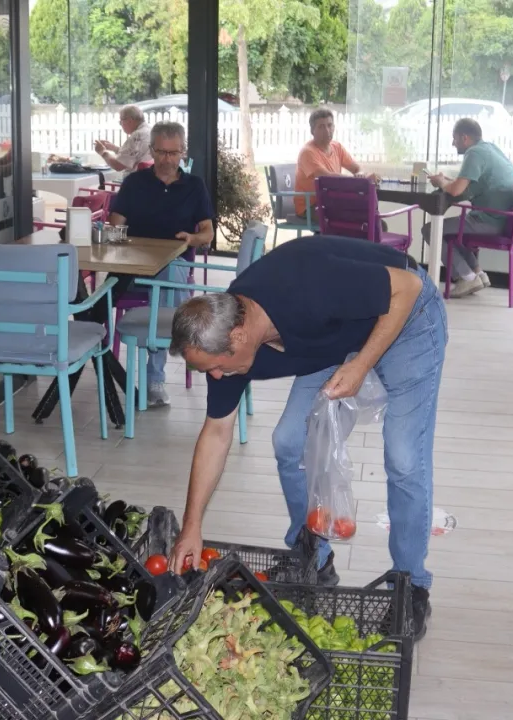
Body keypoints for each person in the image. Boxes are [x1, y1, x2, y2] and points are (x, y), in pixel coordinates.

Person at [166, 235, 445, 639]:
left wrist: (363, 364)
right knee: (289, 442)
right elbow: (215, 432)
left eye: (214, 368)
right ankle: (313, 553)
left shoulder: (305, 285)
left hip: (407, 316)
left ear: (239, 339)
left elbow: (407, 288)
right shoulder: (223, 336)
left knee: (404, 457)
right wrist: (191, 526)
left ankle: (411, 585)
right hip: (336, 335)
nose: (215, 377)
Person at [108, 121, 215, 407]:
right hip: (132, 271)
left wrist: (192, 238)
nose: (167, 160)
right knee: (167, 283)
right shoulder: (134, 183)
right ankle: (184, 338)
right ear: (151, 151)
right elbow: (114, 227)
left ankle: (155, 377)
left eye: (173, 153)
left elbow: (208, 233)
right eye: (161, 152)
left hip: (172, 268)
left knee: (172, 274)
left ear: (183, 152)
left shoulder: (194, 186)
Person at [425, 118, 513, 298]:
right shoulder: (490, 149)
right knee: (451, 231)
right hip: (505, 219)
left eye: (455, 138)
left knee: (430, 230)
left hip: (491, 220)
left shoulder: (474, 153)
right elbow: (468, 188)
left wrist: (441, 182)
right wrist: (447, 182)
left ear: (464, 137)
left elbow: (457, 190)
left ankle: (465, 277)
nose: (453, 143)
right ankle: (478, 273)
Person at [292, 108, 379, 223]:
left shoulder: (337, 147)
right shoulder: (307, 152)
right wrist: (359, 181)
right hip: (311, 206)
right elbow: (327, 178)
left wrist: (362, 174)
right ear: (312, 131)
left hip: (332, 200)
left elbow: (356, 168)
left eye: (329, 125)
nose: (327, 130)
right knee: (355, 221)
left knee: (372, 220)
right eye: (321, 127)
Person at [95, 105, 152, 172]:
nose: (121, 125)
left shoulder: (137, 136)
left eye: (120, 122)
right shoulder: (150, 131)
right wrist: (114, 148)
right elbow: (134, 155)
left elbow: (118, 166)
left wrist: (102, 152)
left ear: (129, 121)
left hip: (136, 180)